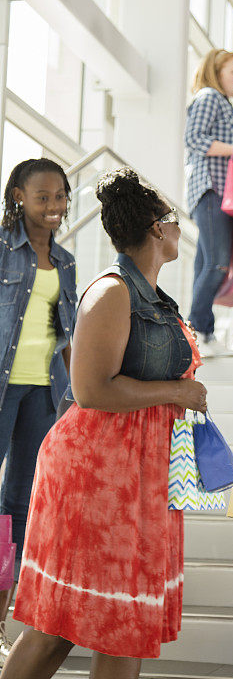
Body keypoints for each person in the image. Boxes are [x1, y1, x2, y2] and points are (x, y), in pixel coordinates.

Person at [2, 167, 208, 679]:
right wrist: (179, 391)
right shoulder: (111, 292)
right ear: (157, 228)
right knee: (54, 631)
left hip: (139, 475)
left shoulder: (155, 296)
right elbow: (92, 389)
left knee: (125, 623)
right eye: (175, 219)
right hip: (95, 475)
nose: (181, 228)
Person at [0, 158, 76, 666]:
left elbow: (70, 337)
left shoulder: (67, 262)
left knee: (22, 503)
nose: (53, 206)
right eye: (42, 197)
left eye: (60, 196)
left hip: (43, 393)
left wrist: (77, 400)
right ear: (18, 197)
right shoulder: (3, 251)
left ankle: (4, 617)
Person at [185, 48, 233, 358]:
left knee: (206, 263)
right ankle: (195, 332)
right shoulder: (209, 98)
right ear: (217, 73)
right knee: (217, 264)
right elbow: (193, 138)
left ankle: (204, 333)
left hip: (219, 193)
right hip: (211, 191)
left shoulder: (223, 104)